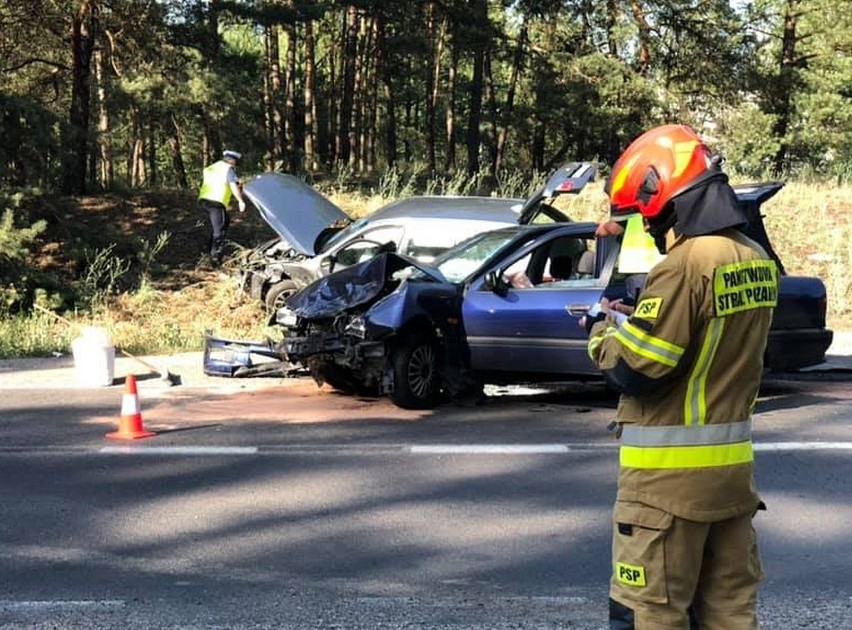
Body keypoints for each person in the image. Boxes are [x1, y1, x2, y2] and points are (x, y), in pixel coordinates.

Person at [584, 124, 779, 629]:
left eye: (648, 212)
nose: (649, 224)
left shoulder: (684, 264)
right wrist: (647, 314)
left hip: (664, 490)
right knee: (730, 612)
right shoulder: (753, 259)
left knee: (648, 613)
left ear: (665, 194)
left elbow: (639, 369)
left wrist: (602, 332)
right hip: (730, 483)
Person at [198, 149, 247, 266]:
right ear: (231, 160)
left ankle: (208, 248)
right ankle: (215, 258)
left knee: (223, 223)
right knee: (219, 230)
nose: (235, 164)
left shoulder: (210, 168)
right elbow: (233, 186)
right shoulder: (228, 169)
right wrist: (241, 201)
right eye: (235, 162)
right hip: (216, 202)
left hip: (204, 200)